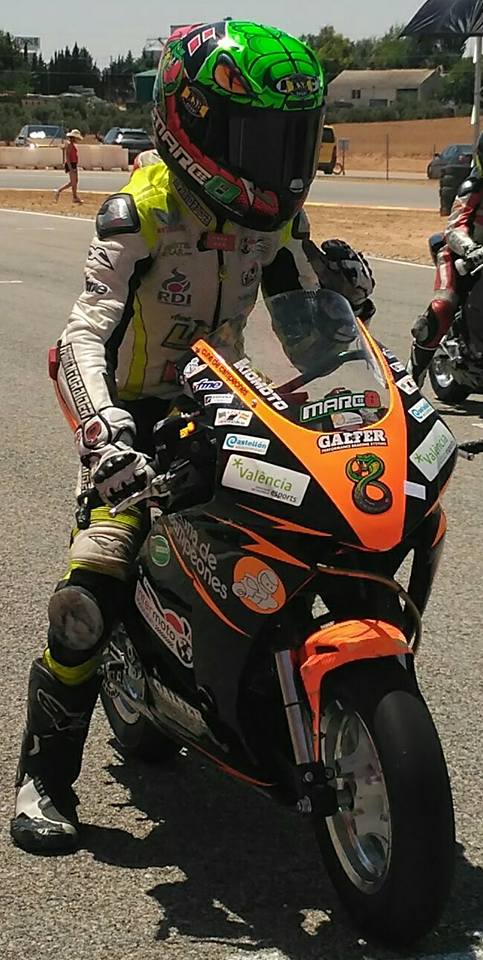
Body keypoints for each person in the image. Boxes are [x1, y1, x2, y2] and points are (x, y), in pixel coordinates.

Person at [11, 19, 374, 855]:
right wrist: (103, 433)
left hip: (228, 403)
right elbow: (83, 333)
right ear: (192, 124)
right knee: (93, 584)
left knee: (321, 531)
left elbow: (315, 337)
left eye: (291, 137)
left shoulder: (274, 221)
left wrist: (351, 337)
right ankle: (44, 776)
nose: (279, 160)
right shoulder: (141, 212)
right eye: (259, 137)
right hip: (135, 415)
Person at [408, 133, 483, 386]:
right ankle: (411, 380)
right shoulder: (473, 187)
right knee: (442, 308)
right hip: (461, 256)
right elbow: (455, 227)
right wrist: (470, 248)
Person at [54, 129, 83, 204]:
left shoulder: (71, 144)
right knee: (73, 181)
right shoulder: (69, 144)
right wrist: (70, 168)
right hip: (71, 164)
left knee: (75, 181)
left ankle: (74, 197)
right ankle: (59, 191)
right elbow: (67, 156)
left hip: (73, 164)